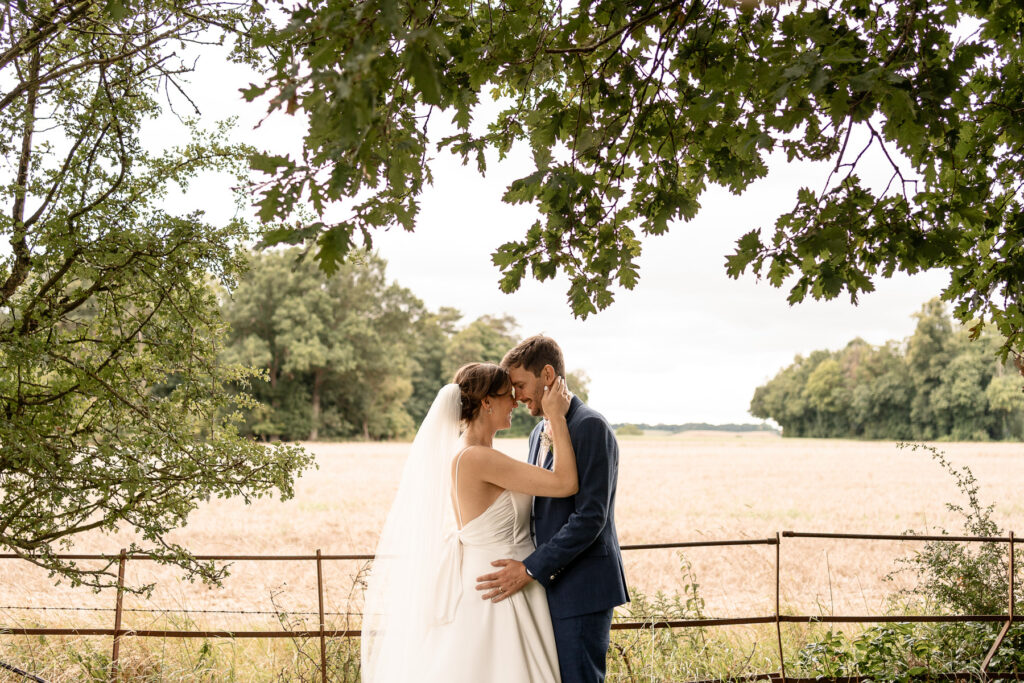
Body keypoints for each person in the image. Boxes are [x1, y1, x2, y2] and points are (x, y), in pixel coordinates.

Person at [361, 362, 577, 683]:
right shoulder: (477, 457)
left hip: (497, 574)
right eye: (507, 396)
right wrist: (556, 418)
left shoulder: (475, 453)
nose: (515, 402)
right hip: (498, 584)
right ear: (487, 402)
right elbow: (564, 484)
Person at [476, 335, 629, 683]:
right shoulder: (537, 433)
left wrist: (530, 569)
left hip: (581, 589)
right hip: (548, 587)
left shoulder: (589, 426)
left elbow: (591, 517)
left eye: (519, 385)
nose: (515, 397)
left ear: (547, 374)